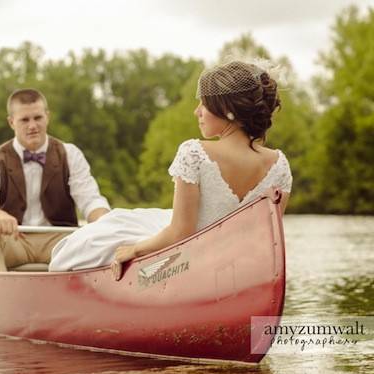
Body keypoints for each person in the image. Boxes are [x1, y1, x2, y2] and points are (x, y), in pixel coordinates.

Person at [49, 60, 293, 271]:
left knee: (100, 237)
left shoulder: (194, 152)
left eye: (204, 104)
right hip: (242, 263)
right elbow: (266, 238)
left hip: (196, 257)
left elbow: (181, 233)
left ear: (227, 110)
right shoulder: (279, 164)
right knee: (118, 222)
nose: (197, 112)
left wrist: (134, 250)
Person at [0, 88, 110, 271]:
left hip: (60, 241)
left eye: (38, 118)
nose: (32, 126)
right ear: (11, 122)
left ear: (47, 117)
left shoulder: (70, 154)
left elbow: (90, 200)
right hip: (13, 241)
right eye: (24, 120)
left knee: (101, 232)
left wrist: (105, 221)